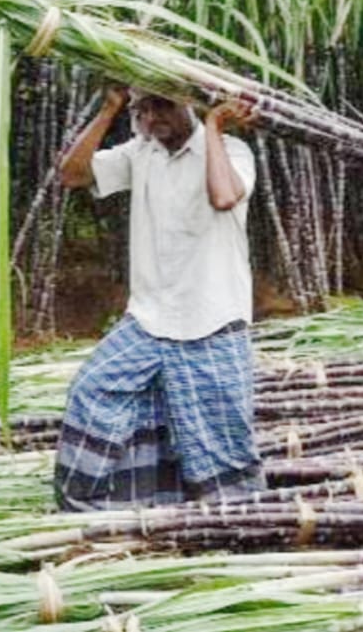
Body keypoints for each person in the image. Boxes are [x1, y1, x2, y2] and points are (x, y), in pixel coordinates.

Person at [52, 87, 264, 510]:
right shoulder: (141, 153)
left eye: (162, 105)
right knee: (92, 392)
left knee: (219, 438)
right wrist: (110, 106)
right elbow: (71, 175)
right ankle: (93, 510)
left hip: (212, 321)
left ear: (190, 103)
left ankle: (235, 522)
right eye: (143, 110)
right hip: (149, 320)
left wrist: (213, 126)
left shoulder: (231, 151)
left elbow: (224, 198)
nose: (151, 118)